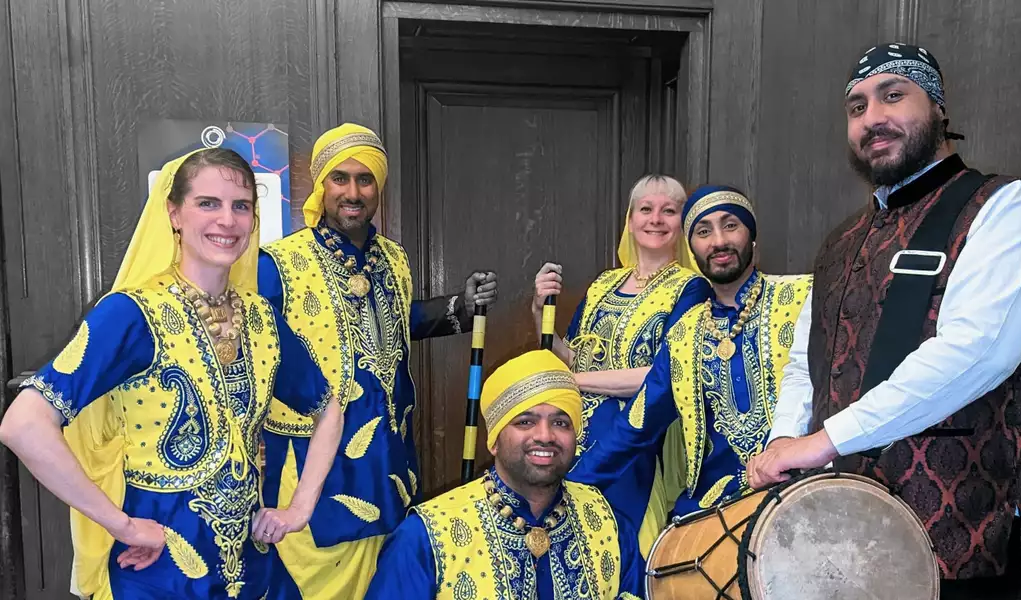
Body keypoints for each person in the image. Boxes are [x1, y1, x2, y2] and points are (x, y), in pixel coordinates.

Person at [746, 42, 1021, 598]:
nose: (873, 118)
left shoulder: (1009, 209)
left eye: (893, 95)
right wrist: (783, 448)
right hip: (841, 541)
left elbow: (976, 354)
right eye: (856, 107)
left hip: (964, 543)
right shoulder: (840, 243)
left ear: (938, 106)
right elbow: (807, 365)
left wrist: (823, 442)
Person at [0, 148, 343, 599]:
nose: (228, 220)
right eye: (208, 203)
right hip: (163, 573)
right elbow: (23, 425)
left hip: (255, 572)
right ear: (174, 213)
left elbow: (329, 406)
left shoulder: (261, 318)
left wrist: (300, 508)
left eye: (241, 206)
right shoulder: (132, 314)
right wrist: (121, 525)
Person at [257, 123, 499, 599]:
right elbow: (258, 360)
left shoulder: (394, 258)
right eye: (339, 179)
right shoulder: (277, 263)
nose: (353, 192)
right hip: (310, 466)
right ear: (320, 186)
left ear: (378, 189)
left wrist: (461, 309)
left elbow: (392, 322)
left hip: (388, 458)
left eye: (365, 180)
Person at [569, 185, 812, 518]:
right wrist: (566, 485)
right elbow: (637, 424)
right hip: (712, 507)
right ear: (692, 248)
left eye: (730, 225)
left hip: (800, 486)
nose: (718, 241)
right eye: (703, 231)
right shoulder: (685, 333)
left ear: (751, 237)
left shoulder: (801, 296)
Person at [364, 350, 643, 600]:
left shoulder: (610, 525)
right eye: (525, 422)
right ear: (494, 440)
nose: (545, 436)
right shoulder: (425, 537)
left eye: (560, 422)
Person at [530, 174, 709, 555]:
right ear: (630, 220)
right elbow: (573, 357)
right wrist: (539, 311)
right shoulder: (603, 284)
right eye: (645, 209)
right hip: (577, 429)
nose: (656, 219)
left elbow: (665, 374)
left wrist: (575, 381)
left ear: (683, 223)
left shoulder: (692, 288)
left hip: (640, 433)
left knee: (620, 545)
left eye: (669, 211)